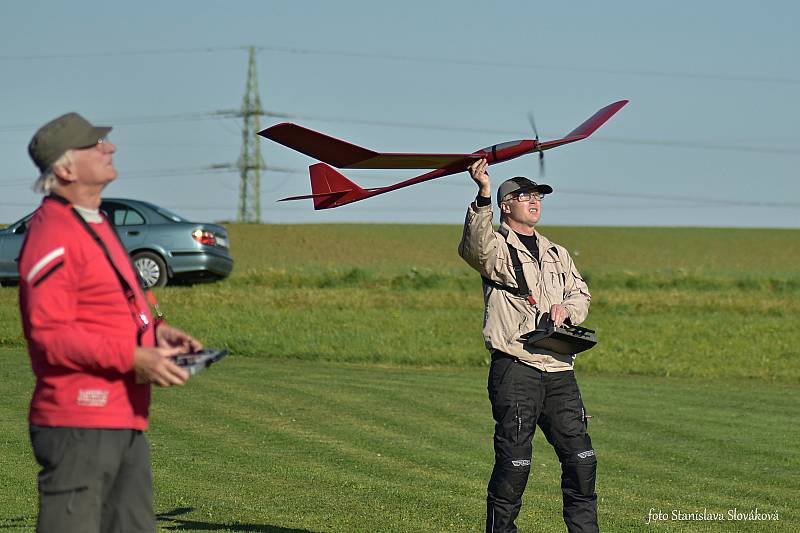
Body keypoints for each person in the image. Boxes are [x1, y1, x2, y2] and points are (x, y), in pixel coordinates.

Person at [19, 112, 202, 533]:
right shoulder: (54, 232)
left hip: (122, 418)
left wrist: (157, 334)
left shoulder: (95, 222)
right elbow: (50, 335)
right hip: (79, 422)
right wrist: (133, 356)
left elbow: (108, 310)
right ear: (64, 169)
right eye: (94, 144)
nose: (110, 147)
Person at [459, 159, 598, 533]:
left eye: (537, 196)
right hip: (516, 368)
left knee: (582, 460)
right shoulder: (498, 248)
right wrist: (483, 194)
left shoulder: (557, 253)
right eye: (524, 196)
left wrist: (565, 308)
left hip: (559, 369)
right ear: (507, 206)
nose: (534, 201)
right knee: (514, 465)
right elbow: (475, 247)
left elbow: (581, 295)